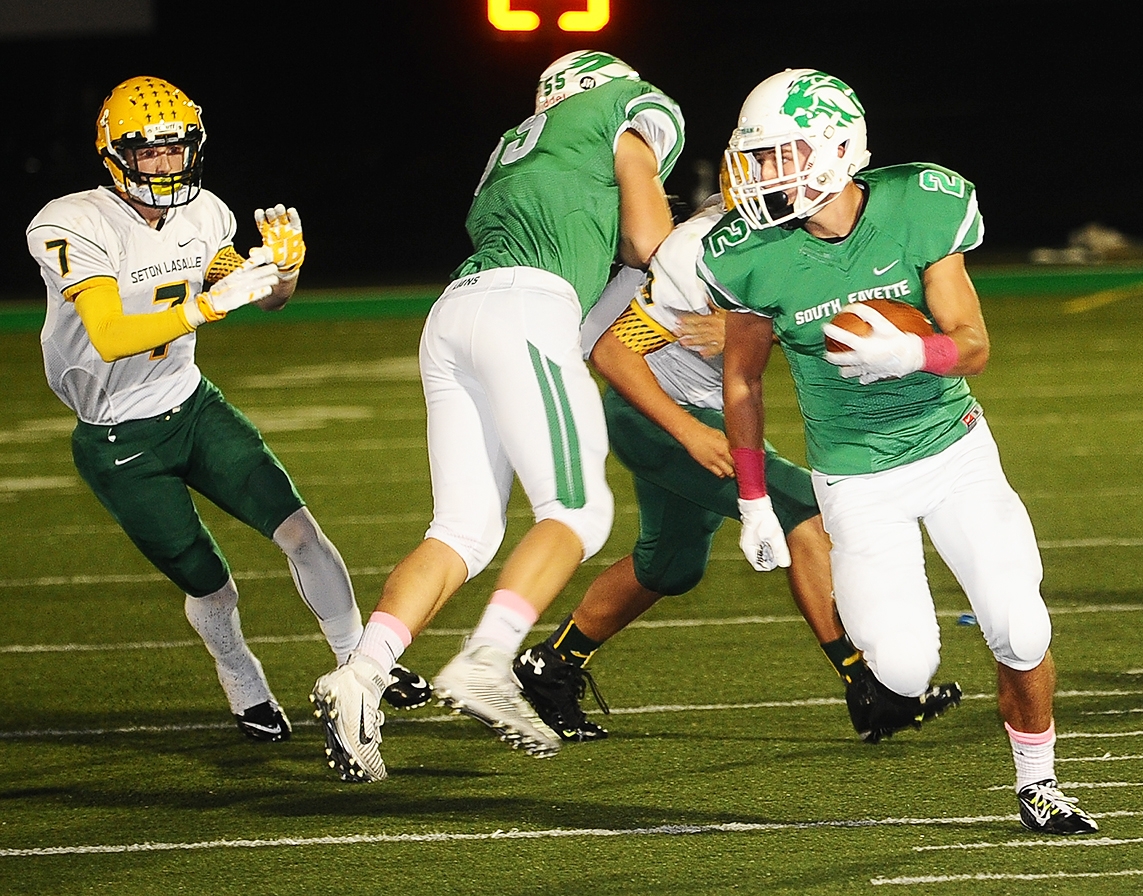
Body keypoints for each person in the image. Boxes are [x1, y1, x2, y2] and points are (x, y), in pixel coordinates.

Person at [706, 69, 1097, 835]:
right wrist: (752, 499)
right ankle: (906, 665)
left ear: (838, 147)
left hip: (953, 454)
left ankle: (1038, 782)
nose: (765, 174)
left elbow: (973, 344)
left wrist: (915, 354)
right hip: (856, 482)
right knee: (902, 666)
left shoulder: (918, 203)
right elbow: (742, 380)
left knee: (1020, 627)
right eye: (759, 157)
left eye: (783, 153)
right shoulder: (748, 253)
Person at [309, 50, 684, 782]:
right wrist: (696, 253)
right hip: (524, 308)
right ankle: (486, 658)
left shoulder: (515, 151)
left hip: (456, 313)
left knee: (462, 530)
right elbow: (649, 244)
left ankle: (362, 674)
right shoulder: (621, 109)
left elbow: (600, 301)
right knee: (578, 511)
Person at [25, 75, 429, 744]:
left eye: (175, 148)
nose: (164, 164)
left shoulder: (204, 212)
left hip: (192, 404)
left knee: (301, 532)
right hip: (119, 438)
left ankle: (364, 666)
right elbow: (110, 334)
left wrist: (282, 271)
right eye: (148, 151)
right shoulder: (74, 222)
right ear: (115, 154)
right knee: (211, 585)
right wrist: (210, 305)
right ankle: (243, 680)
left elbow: (259, 294)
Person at [513, 185, 960, 743]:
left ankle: (552, 663)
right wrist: (690, 431)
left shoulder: (800, 237)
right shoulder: (702, 248)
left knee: (670, 566)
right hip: (662, 418)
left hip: (696, 414)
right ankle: (867, 684)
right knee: (803, 510)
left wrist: (753, 330)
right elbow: (611, 351)